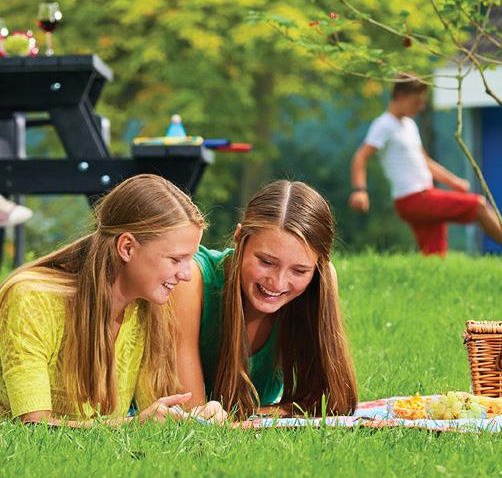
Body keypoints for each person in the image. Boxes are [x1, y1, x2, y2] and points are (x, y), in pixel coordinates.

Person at [0, 174, 225, 426]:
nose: (185, 275)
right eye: (175, 259)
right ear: (127, 247)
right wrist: (133, 424)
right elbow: (34, 425)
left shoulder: (146, 308)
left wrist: (196, 417)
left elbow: (158, 416)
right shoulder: (32, 298)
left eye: (189, 260)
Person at [174, 180, 358, 418]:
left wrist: (250, 415)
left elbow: (329, 403)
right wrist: (272, 413)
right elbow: (195, 416)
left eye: (299, 271)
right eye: (266, 262)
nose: (278, 283)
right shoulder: (192, 279)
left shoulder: (319, 283)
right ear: (239, 238)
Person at [349, 73, 502, 257]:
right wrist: (360, 190)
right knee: (478, 205)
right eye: (417, 101)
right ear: (401, 96)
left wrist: (454, 182)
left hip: (423, 196)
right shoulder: (384, 124)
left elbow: (425, 161)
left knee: (435, 256)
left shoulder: (409, 125)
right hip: (413, 199)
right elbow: (360, 157)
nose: (420, 107)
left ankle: (429, 286)